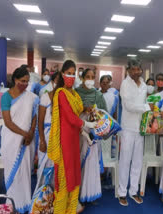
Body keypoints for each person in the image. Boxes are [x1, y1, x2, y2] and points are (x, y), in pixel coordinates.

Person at [48, 60, 96, 214]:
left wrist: (87, 112)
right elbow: (70, 117)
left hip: (75, 139)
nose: (70, 76)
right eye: (68, 73)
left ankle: (71, 209)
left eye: (73, 73)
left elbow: (78, 112)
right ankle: (61, 210)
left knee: (74, 175)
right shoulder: (61, 93)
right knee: (65, 177)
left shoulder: (74, 94)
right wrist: (87, 125)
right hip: (64, 141)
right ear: (62, 74)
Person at [0, 66, 39, 213]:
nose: (25, 84)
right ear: (15, 80)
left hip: (27, 141)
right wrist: (25, 133)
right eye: (22, 81)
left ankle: (25, 204)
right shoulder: (6, 96)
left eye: (27, 82)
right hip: (11, 140)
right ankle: (13, 205)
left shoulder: (32, 97)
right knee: (14, 174)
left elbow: (34, 116)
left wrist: (30, 133)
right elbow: (8, 122)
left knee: (25, 173)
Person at [118, 59, 153, 206]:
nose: (136, 72)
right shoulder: (125, 84)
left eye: (139, 69)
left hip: (141, 128)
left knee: (137, 161)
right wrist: (147, 107)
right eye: (133, 69)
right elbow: (128, 106)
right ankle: (121, 193)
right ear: (128, 70)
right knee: (125, 161)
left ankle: (133, 191)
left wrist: (149, 115)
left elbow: (147, 102)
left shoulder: (144, 85)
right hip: (127, 128)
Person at [75, 68, 107, 204]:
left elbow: (104, 113)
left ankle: (90, 193)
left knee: (91, 162)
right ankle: (77, 193)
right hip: (78, 131)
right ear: (82, 78)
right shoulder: (75, 93)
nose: (90, 79)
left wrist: (95, 115)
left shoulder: (98, 95)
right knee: (78, 160)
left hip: (94, 133)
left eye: (92, 77)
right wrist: (83, 109)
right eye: (87, 76)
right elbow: (70, 112)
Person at [37, 72, 59, 177]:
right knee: (43, 168)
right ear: (52, 82)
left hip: (59, 137)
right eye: (57, 80)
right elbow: (40, 122)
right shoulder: (45, 97)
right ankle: (42, 192)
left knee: (56, 170)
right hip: (46, 135)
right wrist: (42, 140)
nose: (58, 83)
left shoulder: (64, 99)